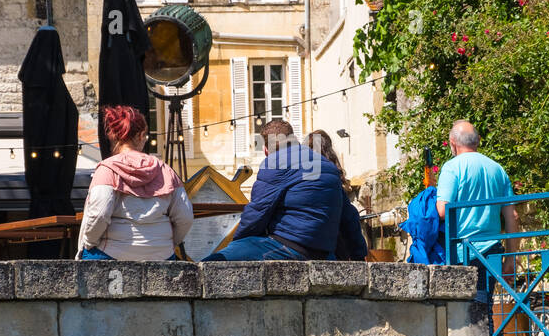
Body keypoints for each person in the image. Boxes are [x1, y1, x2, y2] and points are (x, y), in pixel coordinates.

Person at [435, 119, 519, 336]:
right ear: (478, 142)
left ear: (453, 144)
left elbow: (443, 210)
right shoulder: (497, 169)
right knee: (485, 313)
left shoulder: (452, 167)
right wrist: (511, 257)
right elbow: (511, 216)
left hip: (462, 251)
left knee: (466, 315)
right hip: (492, 250)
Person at [204, 119, 344, 261]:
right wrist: (359, 254)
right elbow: (348, 215)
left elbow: (257, 213)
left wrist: (238, 243)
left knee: (210, 265)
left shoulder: (275, 162)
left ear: (266, 149)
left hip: (290, 247)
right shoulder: (327, 165)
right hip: (326, 253)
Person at [77, 105, 193, 261]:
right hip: (161, 254)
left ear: (112, 136)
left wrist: (89, 242)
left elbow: (99, 214)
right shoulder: (166, 170)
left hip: (111, 252)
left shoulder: (107, 170)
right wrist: (169, 242)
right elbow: (185, 217)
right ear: (141, 135)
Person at [304, 129, 368, 261]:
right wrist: (359, 255)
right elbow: (349, 219)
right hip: (328, 251)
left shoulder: (295, 176)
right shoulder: (331, 179)